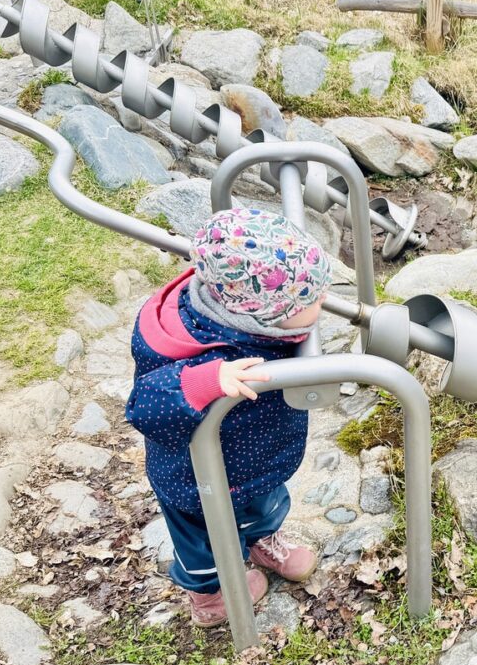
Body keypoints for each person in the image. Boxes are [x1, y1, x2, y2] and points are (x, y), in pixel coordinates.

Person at [125, 207, 331, 627]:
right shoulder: (190, 340)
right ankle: (211, 596)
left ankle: (262, 543)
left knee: (266, 506)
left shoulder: (249, 314)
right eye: (309, 300)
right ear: (260, 316)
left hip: (257, 457)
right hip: (195, 480)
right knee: (203, 547)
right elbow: (144, 404)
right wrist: (205, 382)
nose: (324, 301)